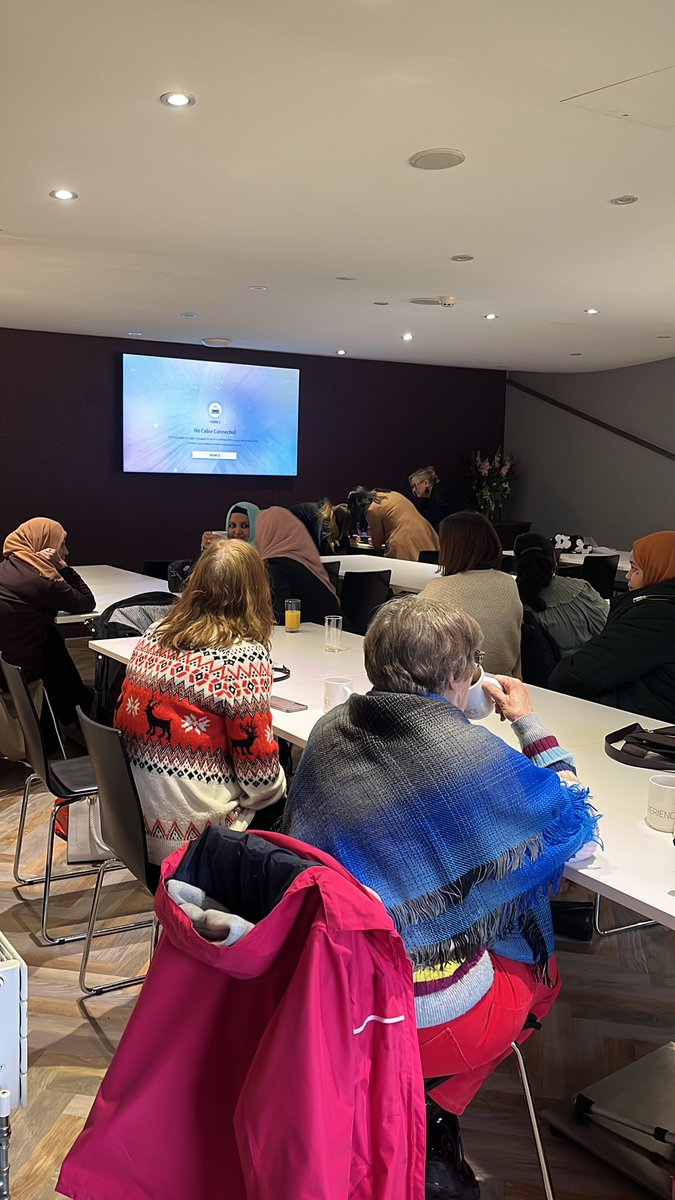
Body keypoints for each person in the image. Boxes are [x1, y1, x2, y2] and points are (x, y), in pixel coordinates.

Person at [282, 595, 597, 1199]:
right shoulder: (469, 758)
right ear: (458, 675)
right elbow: (571, 832)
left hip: (336, 984)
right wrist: (529, 722)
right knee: (543, 974)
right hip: (417, 1010)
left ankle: (414, 1101)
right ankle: (435, 1106)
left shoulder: (333, 729)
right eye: (473, 663)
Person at [115, 538, 286, 865]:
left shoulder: (154, 633)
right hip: (195, 843)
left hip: (131, 825)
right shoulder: (241, 659)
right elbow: (261, 784)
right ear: (256, 592)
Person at [550, 530, 675, 721]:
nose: (627, 577)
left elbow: (575, 675)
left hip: (641, 726)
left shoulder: (656, 616)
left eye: (635, 569)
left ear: (657, 570)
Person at [0, 518, 95, 727]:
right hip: (17, 672)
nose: (66, 551)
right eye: (62, 544)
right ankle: (77, 719)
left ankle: (75, 714)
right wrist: (63, 567)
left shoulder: (8, 568)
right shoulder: (43, 583)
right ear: (46, 545)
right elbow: (87, 602)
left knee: (51, 638)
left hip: (4, 661)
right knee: (56, 658)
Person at [423, 511, 523, 676]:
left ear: (451, 548)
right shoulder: (508, 583)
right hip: (503, 683)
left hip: (455, 687)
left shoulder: (437, 590)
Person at [514, 532, 608, 656]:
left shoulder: (511, 600)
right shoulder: (581, 590)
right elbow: (608, 629)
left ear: (517, 564)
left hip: (539, 672)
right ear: (553, 558)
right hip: (588, 667)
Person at [255, 507, 343, 625]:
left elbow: (279, 621)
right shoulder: (301, 563)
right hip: (340, 634)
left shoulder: (274, 566)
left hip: (322, 639)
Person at [347, 486, 439, 561]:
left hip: (405, 540)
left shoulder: (372, 510)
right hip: (425, 531)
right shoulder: (388, 494)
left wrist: (374, 540)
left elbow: (377, 544)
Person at [409, 465, 463, 531]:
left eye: (415, 486)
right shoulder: (426, 503)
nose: (413, 490)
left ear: (426, 483)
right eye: (412, 487)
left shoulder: (442, 495)